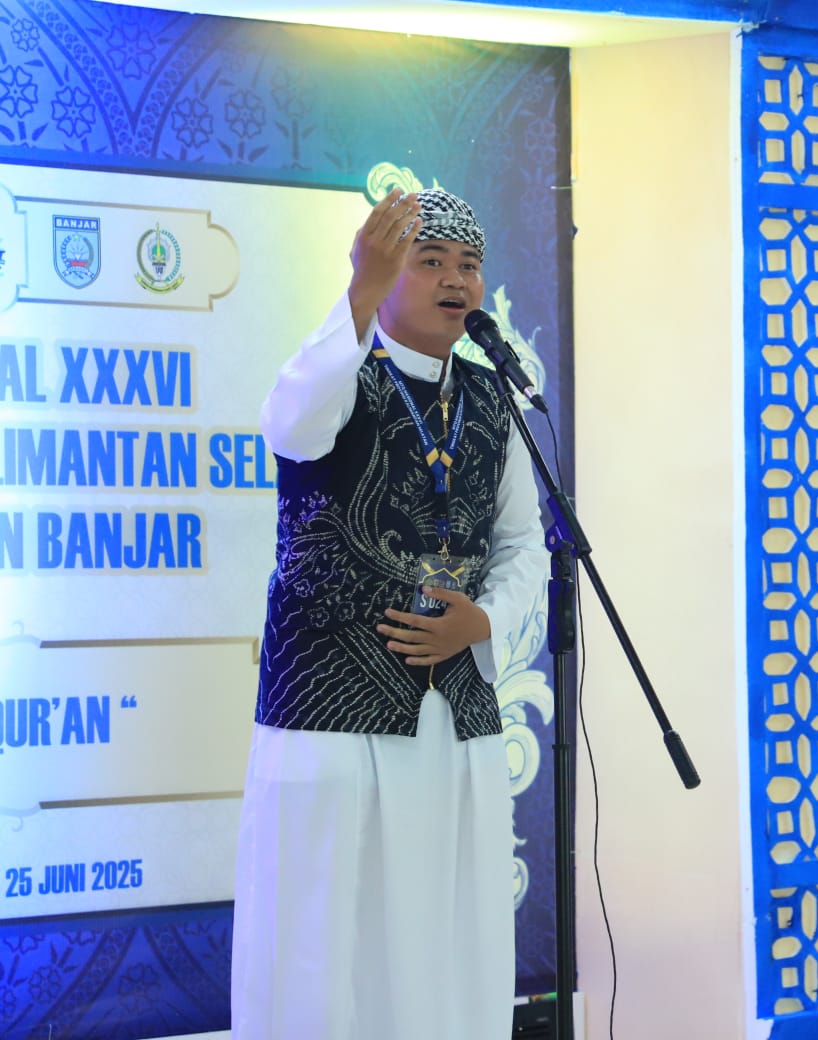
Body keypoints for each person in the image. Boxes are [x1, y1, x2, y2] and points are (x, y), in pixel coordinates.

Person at [231, 187, 547, 1039]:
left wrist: (484, 621)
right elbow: (290, 425)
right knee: (327, 947)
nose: (456, 280)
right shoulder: (340, 373)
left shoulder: (493, 400)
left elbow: (525, 542)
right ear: (384, 273)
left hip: (455, 720)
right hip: (334, 717)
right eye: (430, 261)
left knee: (449, 942)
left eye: (469, 265)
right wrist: (358, 296)